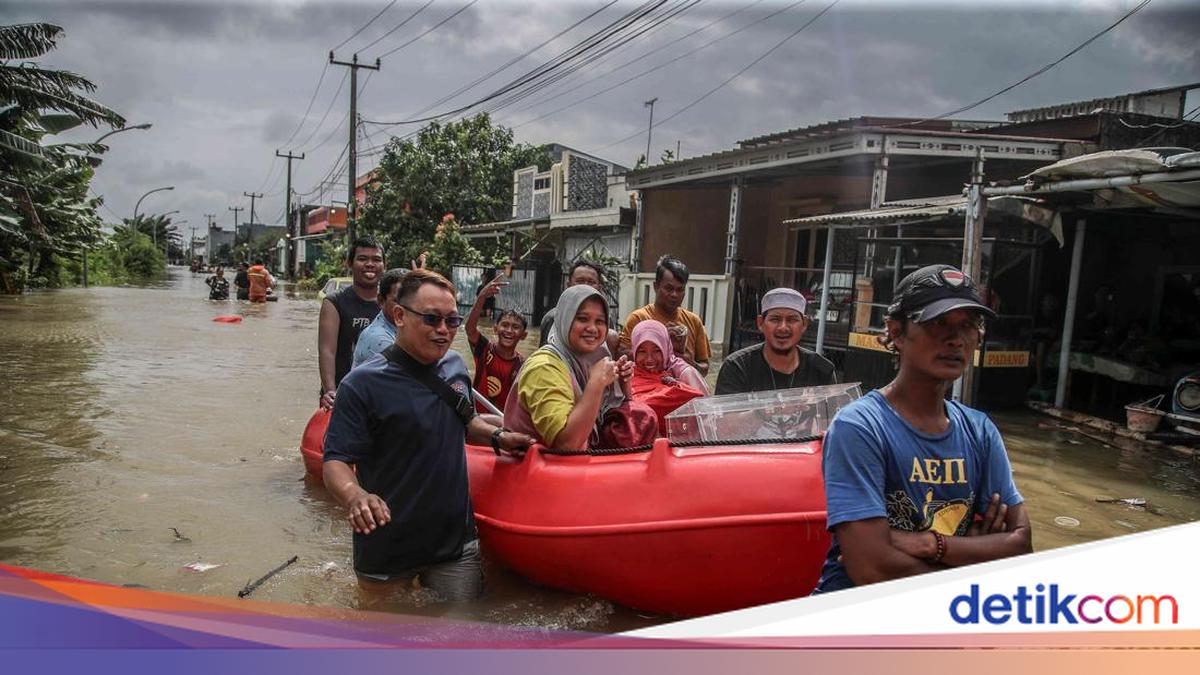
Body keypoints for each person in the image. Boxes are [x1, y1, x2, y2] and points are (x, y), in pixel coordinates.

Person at [813, 264, 1031, 594]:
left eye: (968, 325)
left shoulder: (980, 431)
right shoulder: (860, 427)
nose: (956, 339)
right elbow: (872, 569)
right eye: (938, 322)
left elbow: (1021, 546)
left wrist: (933, 545)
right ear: (896, 331)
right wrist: (977, 555)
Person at [323, 269, 533, 600]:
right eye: (432, 319)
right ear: (399, 316)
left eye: (452, 321)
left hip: (453, 542)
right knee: (384, 637)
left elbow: (466, 421)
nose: (443, 331)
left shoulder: (455, 367)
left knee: (461, 636)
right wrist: (355, 496)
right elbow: (335, 460)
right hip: (387, 541)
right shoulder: (361, 385)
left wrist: (497, 438)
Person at [505, 285, 656, 450]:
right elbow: (567, 445)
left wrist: (622, 386)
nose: (592, 328)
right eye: (583, 319)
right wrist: (596, 384)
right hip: (538, 469)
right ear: (565, 319)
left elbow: (603, 422)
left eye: (600, 321)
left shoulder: (591, 360)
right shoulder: (544, 367)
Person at [715, 288, 837, 394]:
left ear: (804, 324)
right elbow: (725, 418)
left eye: (792, 319)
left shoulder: (821, 370)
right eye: (775, 319)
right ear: (760, 323)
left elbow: (830, 416)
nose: (783, 327)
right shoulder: (737, 366)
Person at [318, 239, 384, 410]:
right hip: (344, 394)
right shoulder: (335, 302)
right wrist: (330, 391)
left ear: (384, 265)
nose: (370, 264)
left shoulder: (394, 303)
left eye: (376, 260)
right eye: (362, 259)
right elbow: (327, 351)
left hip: (383, 395)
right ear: (350, 263)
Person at [620, 255, 711, 377]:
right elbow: (621, 356)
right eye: (669, 288)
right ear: (656, 286)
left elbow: (704, 368)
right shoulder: (638, 318)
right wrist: (660, 340)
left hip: (684, 389)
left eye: (680, 290)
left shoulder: (694, 321)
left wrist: (689, 363)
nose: (674, 294)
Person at [466, 273, 528, 414]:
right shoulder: (485, 349)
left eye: (516, 327)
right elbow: (470, 329)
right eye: (504, 325)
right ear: (495, 329)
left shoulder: (524, 365)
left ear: (524, 336)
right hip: (478, 422)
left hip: (503, 425)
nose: (509, 330)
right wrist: (481, 297)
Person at [629, 319, 707, 431]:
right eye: (642, 351)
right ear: (634, 350)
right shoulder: (627, 373)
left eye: (657, 350)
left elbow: (703, 411)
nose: (649, 359)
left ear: (665, 349)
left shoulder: (684, 373)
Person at [539, 259, 616, 353]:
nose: (585, 286)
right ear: (569, 285)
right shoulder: (552, 317)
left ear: (599, 287)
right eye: (580, 281)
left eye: (591, 282)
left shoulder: (607, 319)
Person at [352, 268, 407, 369]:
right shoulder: (379, 340)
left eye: (412, 300)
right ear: (381, 301)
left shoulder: (400, 328)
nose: (406, 306)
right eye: (398, 301)